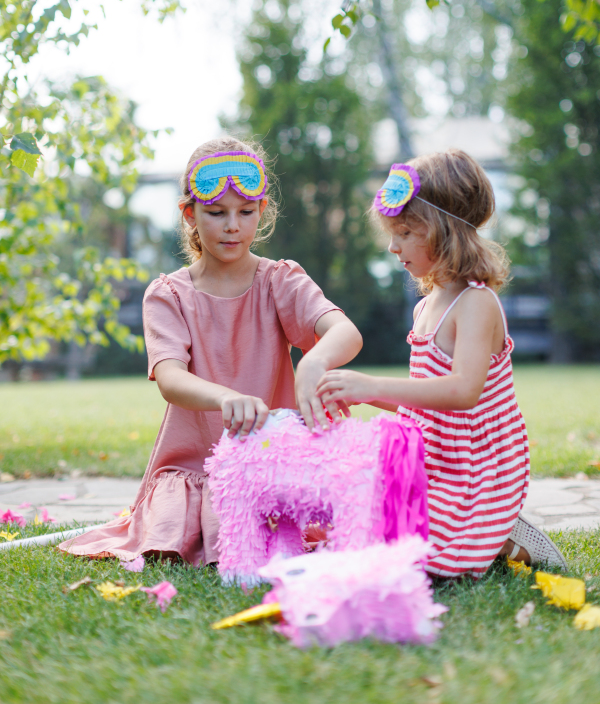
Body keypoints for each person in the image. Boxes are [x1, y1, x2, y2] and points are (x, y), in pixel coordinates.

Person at [60, 136, 362, 566]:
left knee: (285, 521)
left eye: (246, 212)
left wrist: (314, 360)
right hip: (195, 468)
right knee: (216, 533)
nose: (232, 226)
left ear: (262, 212)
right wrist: (225, 397)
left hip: (273, 461)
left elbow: (345, 333)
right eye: (216, 213)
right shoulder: (169, 294)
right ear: (190, 215)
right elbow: (169, 377)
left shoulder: (280, 281)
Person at [317, 150, 566, 578]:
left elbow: (462, 393)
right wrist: (360, 395)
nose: (394, 246)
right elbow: (427, 403)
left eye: (406, 232)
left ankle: (508, 537)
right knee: (369, 533)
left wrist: (371, 384)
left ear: (446, 232)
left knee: (422, 562)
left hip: (476, 465)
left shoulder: (476, 303)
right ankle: (491, 533)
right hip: (435, 455)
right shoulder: (427, 306)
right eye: (393, 233)